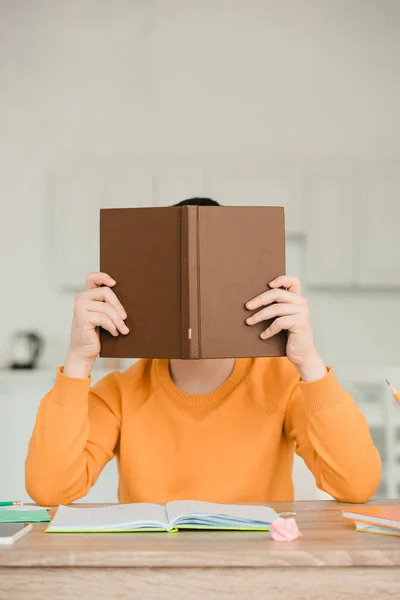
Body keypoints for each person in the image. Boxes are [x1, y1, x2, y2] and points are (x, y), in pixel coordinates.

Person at [25, 198, 381, 506]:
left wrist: (310, 362)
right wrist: (78, 359)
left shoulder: (284, 386)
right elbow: (50, 489)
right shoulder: (120, 392)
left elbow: (356, 484)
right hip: (151, 571)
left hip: (255, 569)